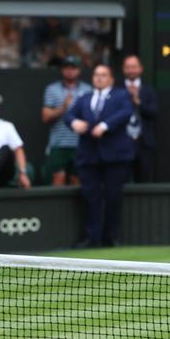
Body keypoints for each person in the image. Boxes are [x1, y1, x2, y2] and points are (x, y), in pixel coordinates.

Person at [69, 64, 135, 247]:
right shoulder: (84, 98)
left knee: (113, 197)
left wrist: (105, 126)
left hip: (115, 157)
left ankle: (110, 237)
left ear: (111, 79)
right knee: (91, 198)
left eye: (103, 75)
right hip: (89, 157)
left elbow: (125, 113)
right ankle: (92, 238)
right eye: (96, 75)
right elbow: (69, 115)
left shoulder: (121, 95)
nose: (99, 78)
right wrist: (75, 123)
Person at [42, 55, 92, 186]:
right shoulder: (52, 89)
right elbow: (45, 116)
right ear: (62, 70)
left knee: (78, 180)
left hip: (81, 144)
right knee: (58, 179)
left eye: (73, 68)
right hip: (58, 143)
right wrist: (63, 108)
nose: (70, 71)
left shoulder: (88, 90)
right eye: (67, 68)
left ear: (79, 70)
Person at [121, 54, 157, 183]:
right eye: (128, 67)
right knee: (121, 180)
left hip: (143, 143)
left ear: (140, 69)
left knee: (144, 179)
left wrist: (138, 102)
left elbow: (154, 112)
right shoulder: (117, 89)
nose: (131, 70)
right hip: (121, 142)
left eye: (134, 67)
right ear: (123, 69)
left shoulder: (148, 90)